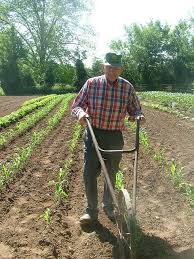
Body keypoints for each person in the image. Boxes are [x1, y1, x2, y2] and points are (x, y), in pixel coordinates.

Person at [71, 52, 145, 224]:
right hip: (93, 132)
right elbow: (77, 105)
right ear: (103, 67)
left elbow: (135, 109)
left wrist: (138, 116)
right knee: (89, 172)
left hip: (114, 136)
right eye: (109, 67)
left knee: (111, 172)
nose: (113, 71)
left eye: (116, 68)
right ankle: (91, 210)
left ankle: (108, 206)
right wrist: (81, 113)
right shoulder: (92, 83)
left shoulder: (127, 87)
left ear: (121, 69)